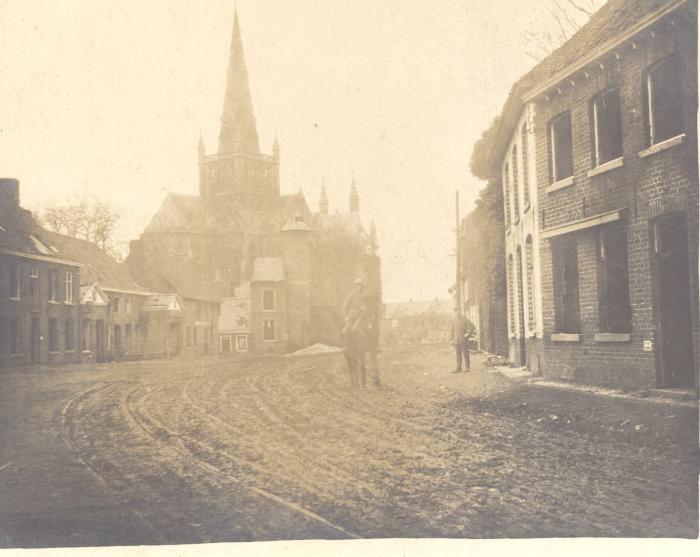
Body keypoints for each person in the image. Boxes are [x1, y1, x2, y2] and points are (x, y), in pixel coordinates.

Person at [450, 306, 476, 373]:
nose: (456, 312)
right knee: (458, 354)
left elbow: (472, 326)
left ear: (460, 311)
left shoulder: (464, 318)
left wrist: (468, 334)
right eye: (455, 311)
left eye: (458, 311)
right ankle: (459, 368)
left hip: (463, 339)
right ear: (454, 312)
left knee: (465, 354)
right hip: (456, 340)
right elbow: (452, 330)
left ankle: (467, 367)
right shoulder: (453, 320)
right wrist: (451, 339)